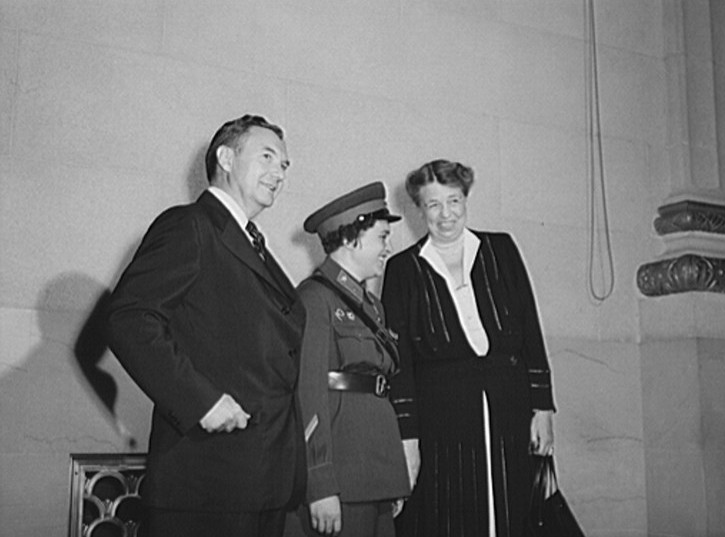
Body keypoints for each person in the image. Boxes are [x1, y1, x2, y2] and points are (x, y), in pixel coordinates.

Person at [106, 114, 306, 537]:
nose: (279, 172)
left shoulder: (256, 245)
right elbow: (129, 318)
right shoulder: (190, 226)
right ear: (226, 158)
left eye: (285, 165)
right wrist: (202, 401)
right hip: (207, 484)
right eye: (267, 156)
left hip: (264, 481)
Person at [381, 159, 556, 537]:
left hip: (510, 408)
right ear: (419, 209)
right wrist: (407, 439)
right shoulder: (403, 270)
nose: (445, 215)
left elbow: (530, 328)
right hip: (442, 418)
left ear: (466, 200)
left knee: (514, 511)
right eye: (433, 205)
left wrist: (542, 406)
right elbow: (401, 365)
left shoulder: (501, 249)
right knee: (450, 516)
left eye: (453, 201)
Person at [286, 182, 413, 537]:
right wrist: (320, 484)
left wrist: (391, 480)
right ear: (350, 237)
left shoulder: (372, 307)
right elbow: (308, 395)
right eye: (381, 237)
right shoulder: (314, 300)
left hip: (375, 476)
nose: (388, 248)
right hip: (341, 479)